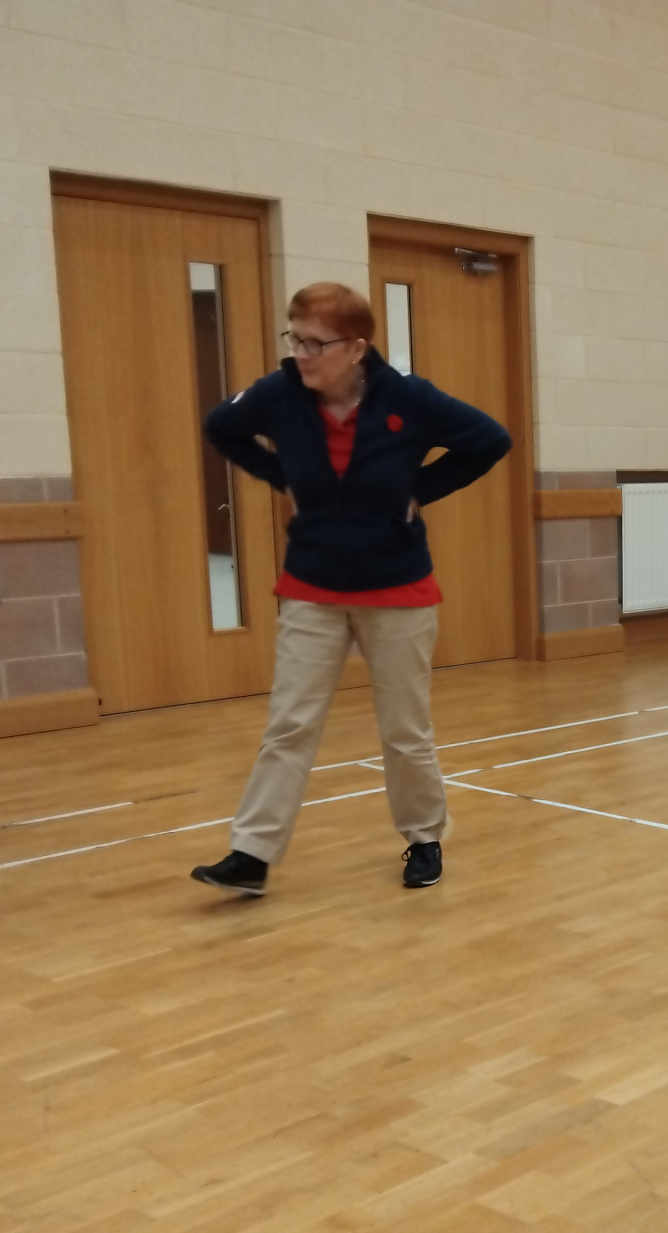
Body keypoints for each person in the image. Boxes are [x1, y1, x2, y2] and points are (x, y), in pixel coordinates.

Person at [192, 283, 509, 895]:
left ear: (357, 348)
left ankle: (424, 838)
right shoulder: (280, 393)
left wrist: (418, 491)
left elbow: (490, 440)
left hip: (397, 588)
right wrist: (280, 476)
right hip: (312, 585)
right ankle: (252, 853)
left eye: (317, 343)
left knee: (404, 729)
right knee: (290, 724)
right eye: (296, 338)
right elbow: (221, 427)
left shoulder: (408, 398)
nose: (302, 354)